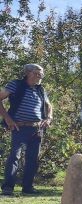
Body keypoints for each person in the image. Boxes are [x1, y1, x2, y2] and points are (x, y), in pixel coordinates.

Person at [0, 64, 52, 196]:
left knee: (32, 159)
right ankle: (8, 187)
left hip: (36, 129)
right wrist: (7, 119)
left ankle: (27, 187)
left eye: (42, 73)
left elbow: (49, 105)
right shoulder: (16, 85)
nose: (41, 75)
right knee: (14, 156)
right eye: (38, 72)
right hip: (19, 127)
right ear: (29, 73)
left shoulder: (41, 90)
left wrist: (49, 118)